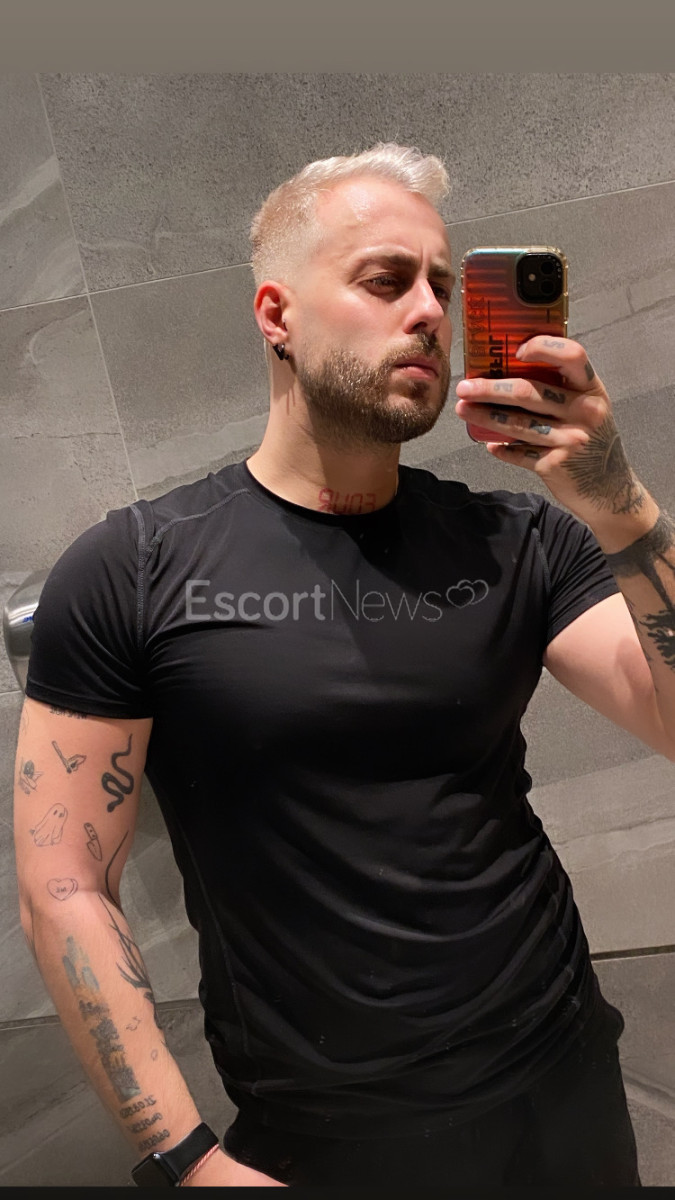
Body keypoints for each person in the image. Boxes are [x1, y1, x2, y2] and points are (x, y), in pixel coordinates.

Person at [14, 142, 674, 1188]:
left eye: (443, 286)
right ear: (275, 314)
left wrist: (617, 501)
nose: (429, 312)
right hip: (326, 1137)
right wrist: (185, 1159)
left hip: (563, 1080)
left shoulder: (517, 542)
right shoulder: (132, 570)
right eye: (386, 279)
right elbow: (64, 885)